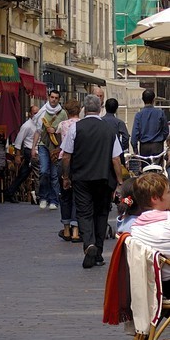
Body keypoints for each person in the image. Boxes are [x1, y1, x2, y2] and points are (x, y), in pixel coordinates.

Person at [60, 93, 124, 267]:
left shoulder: (75, 128)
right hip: (104, 178)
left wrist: (66, 177)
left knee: (84, 212)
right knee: (101, 213)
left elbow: (66, 156)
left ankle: (89, 244)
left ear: (84, 109)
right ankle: (99, 253)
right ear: (100, 108)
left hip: (81, 178)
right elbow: (116, 159)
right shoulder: (110, 129)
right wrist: (119, 181)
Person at [56, 98, 81, 242]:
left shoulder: (62, 124)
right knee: (77, 196)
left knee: (65, 196)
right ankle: (76, 231)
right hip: (77, 161)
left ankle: (66, 230)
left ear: (66, 111)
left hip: (63, 160)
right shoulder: (81, 125)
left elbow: (60, 142)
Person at [35, 89, 64, 210]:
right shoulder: (42, 111)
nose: (54, 100)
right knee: (43, 171)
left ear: (59, 99)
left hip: (56, 147)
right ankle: (43, 197)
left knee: (54, 174)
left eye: (56, 98)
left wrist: (56, 129)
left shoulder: (62, 113)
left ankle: (53, 199)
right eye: (52, 97)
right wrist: (33, 147)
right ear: (48, 97)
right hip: (43, 145)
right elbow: (38, 130)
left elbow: (66, 128)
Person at [130, 88, 170, 162]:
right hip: (157, 146)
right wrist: (160, 140)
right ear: (153, 100)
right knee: (158, 171)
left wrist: (135, 151)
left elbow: (134, 137)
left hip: (144, 148)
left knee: (145, 170)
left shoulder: (139, 115)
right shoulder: (160, 113)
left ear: (143, 99)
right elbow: (166, 131)